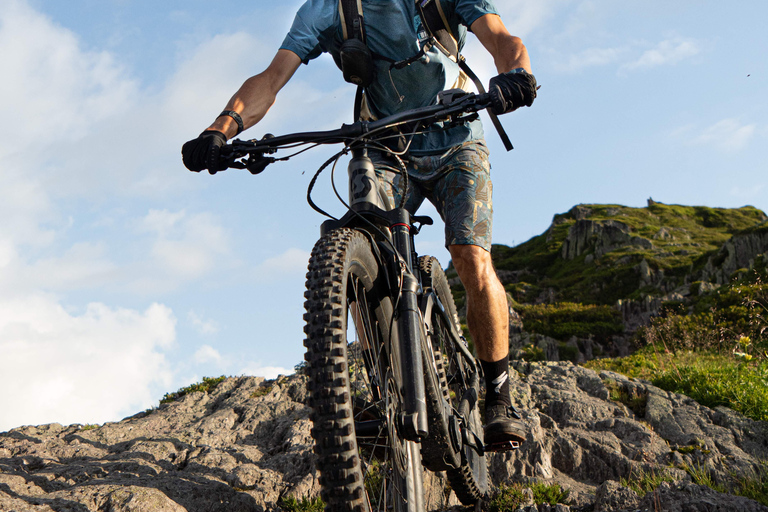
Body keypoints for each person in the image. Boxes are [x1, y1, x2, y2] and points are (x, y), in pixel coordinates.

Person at [182, 0, 537, 448]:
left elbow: (503, 40)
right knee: (364, 261)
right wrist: (220, 129)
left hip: (457, 138)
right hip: (383, 146)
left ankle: (498, 394)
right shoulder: (328, 10)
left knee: (470, 257)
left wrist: (517, 74)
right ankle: (384, 390)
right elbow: (272, 79)